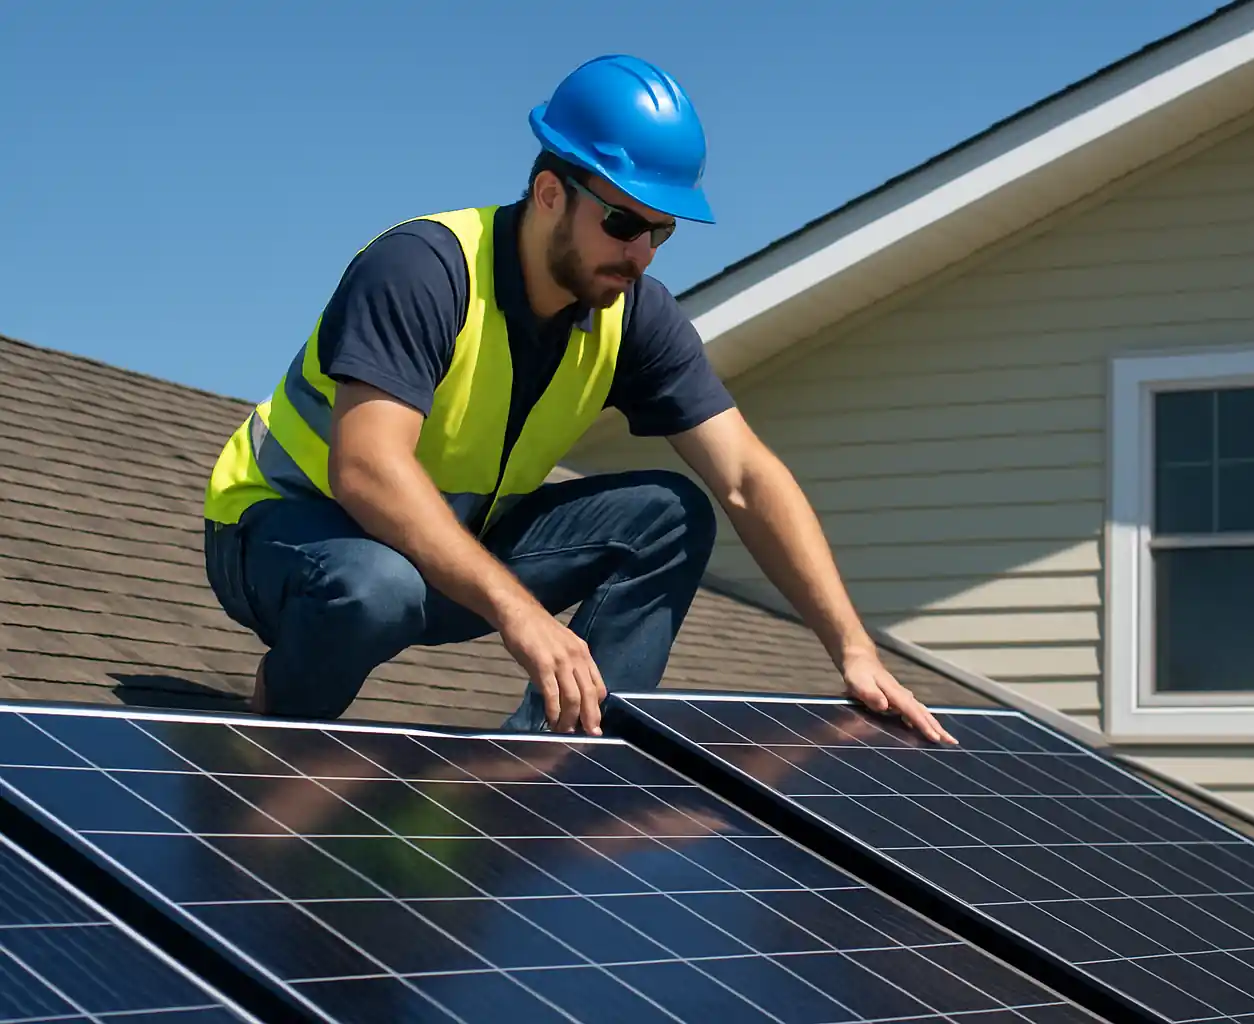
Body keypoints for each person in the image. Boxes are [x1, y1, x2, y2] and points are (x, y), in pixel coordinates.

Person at [201, 54, 956, 746]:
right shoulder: (424, 269)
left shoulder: (634, 315)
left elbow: (747, 478)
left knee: (670, 514)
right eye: (623, 223)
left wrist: (852, 648)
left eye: (660, 232)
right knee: (377, 588)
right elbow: (366, 471)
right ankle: (279, 724)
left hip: (444, 555)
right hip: (280, 537)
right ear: (550, 193)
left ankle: (543, 773)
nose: (641, 255)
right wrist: (520, 611)